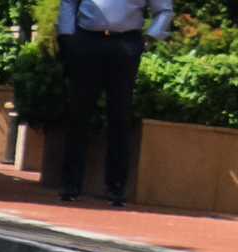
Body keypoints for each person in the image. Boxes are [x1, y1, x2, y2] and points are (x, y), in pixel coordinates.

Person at [56, 0, 171, 205]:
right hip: (86, 41)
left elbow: (163, 10)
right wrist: (67, 36)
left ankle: (116, 187)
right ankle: (70, 184)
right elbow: (69, 2)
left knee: (119, 116)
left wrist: (149, 37)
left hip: (125, 43)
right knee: (78, 114)